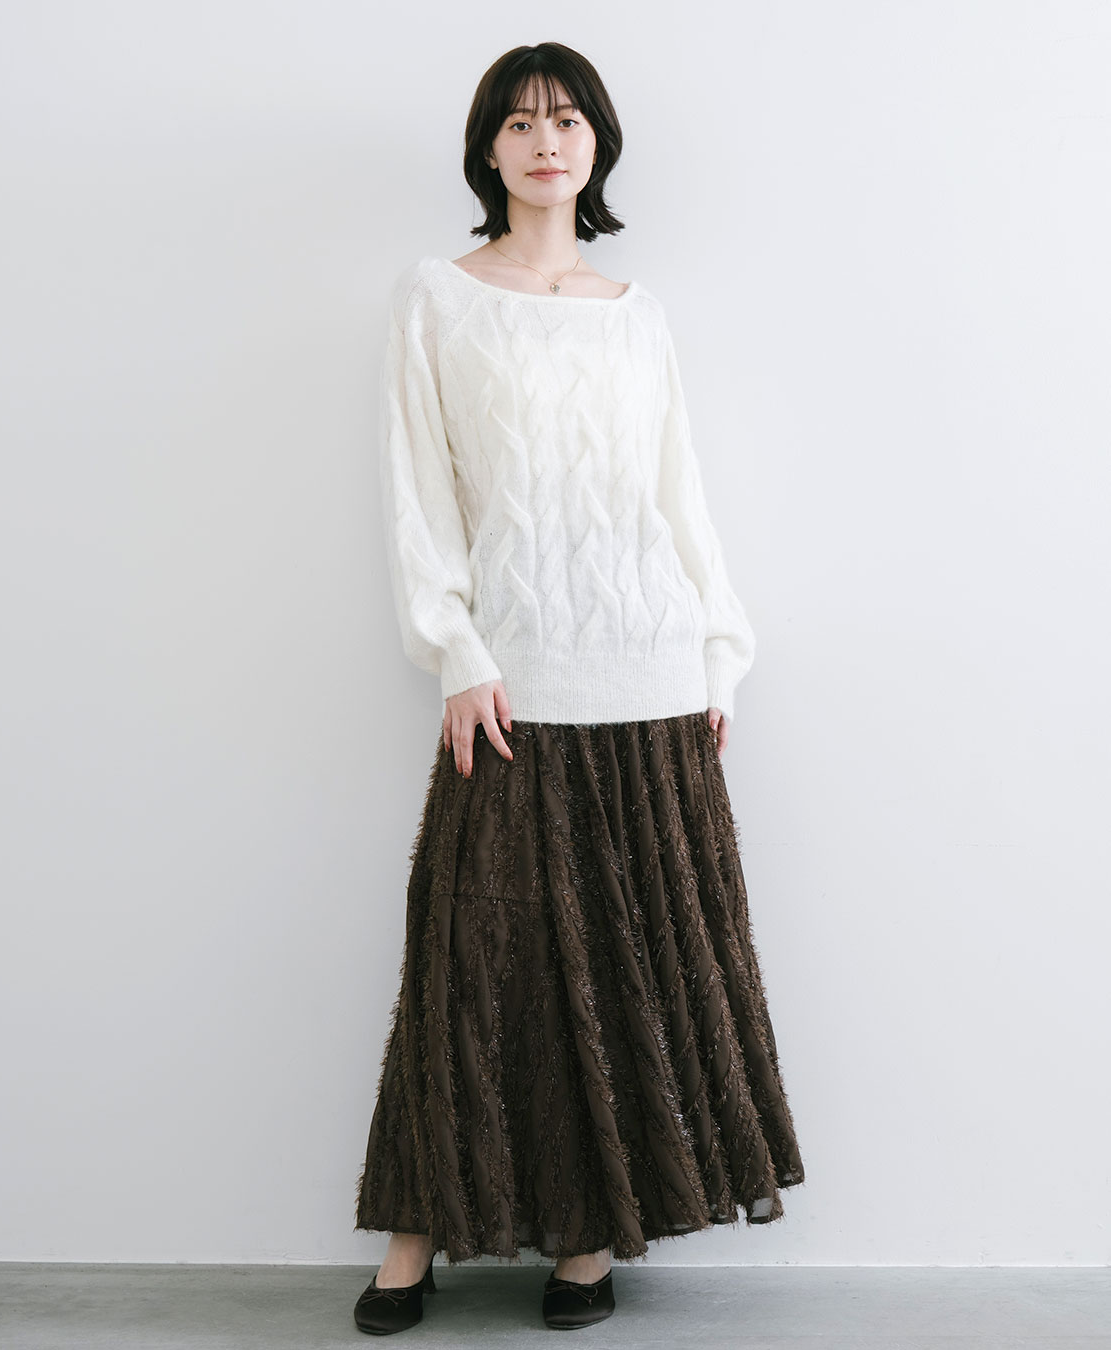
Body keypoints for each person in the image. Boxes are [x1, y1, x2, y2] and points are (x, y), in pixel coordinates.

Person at [352, 40, 805, 1337]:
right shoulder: (436, 297)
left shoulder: (636, 311)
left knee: (628, 968)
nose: (544, 141)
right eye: (519, 121)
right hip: (513, 677)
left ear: (596, 143)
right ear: (486, 148)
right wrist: (456, 648)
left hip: (652, 667)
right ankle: (415, 1233)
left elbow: (677, 493)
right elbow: (417, 489)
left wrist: (718, 649)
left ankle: (590, 1240)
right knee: (470, 959)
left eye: (566, 120)